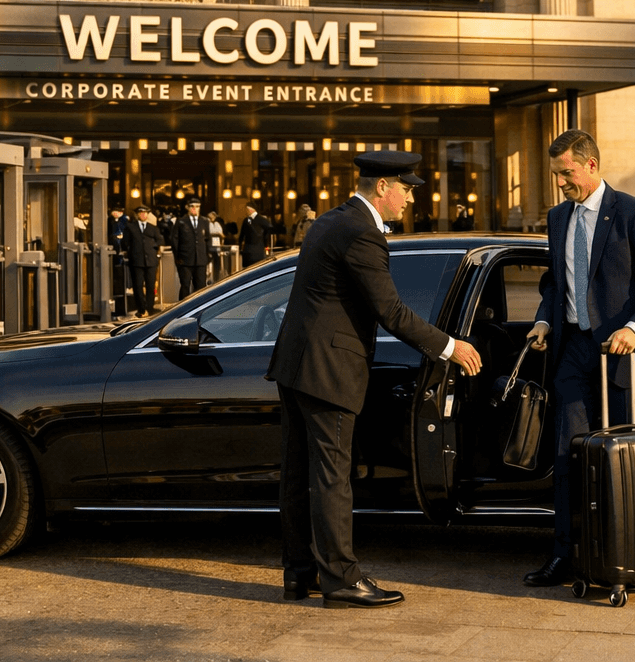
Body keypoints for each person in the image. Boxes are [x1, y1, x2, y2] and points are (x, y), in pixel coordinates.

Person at [267, 151, 483, 609]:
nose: (410, 200)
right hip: (329, 371)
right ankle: (342, 580)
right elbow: (392, 312)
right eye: (407, 190)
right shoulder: (362, 232)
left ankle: (300, 574)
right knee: (331, 478)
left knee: (298, 474)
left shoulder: (330, 220)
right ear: (382, 187)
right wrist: (451, 347)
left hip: (297, 364)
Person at [520, 129, 635, 589]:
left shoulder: (633, 212)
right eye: (556, 175)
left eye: (566, 173)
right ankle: (565, 555)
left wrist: (633, 329)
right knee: (568, 454)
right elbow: (555, 283)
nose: (560, 183)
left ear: (590, 165)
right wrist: (544, 321)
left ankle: (631, 557)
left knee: (627, 460)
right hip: (574, 349)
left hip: (628, 356)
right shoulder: (557, 218)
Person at [121, 204, 165, 317]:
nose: (143, 214)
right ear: (137, 214)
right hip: (136, 261)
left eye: (145, 213)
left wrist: (153, 246)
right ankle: (141, 309)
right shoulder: (131, 227)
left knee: (150, 285)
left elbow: (160, 240)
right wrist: (132, 251)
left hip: (150, 260)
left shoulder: (152, 228)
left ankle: (149, 308)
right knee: (137, 285)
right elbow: (125, 242)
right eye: (141, 212)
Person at [170, 197, 214, 298]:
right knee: (185, 285)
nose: (194, 209)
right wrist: (177, 257)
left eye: (197, 207)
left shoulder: (204, 221)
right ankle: (183, 310)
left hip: (201, 259)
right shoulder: (181, 221)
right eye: (192, 206)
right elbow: (174, 240)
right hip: (185, 260)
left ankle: (200, 310)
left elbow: (208, 239)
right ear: (188, 208)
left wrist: (208, 256)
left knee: (201, 287)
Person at [240, 203, 272, 267]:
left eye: (246, 210)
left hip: (249, 251)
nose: (245, 212)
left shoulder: (246, 220)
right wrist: (266, 246)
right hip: (259, 251)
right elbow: (266, 236)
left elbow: (241, 236)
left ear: (250, 209)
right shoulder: (263, 220)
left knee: (248, 272)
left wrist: (240, 247)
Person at [206, 210, 226, 281]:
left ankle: (216, 278)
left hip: (217, 247)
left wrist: (221, 237)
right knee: (209, 263)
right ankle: (209, 278)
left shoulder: (217, 224)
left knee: (217, 264)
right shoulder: (207, 223)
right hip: (209, 247)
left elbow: (222, 234)